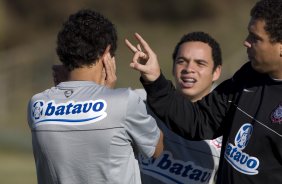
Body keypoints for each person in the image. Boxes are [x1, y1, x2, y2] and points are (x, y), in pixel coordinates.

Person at [125, 0, 282, 183]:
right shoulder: (248, 76)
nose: (245, 42)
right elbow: (199, 120)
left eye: (255, 38)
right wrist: (155, 80)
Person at [27, 9, 163, 184]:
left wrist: (103, 93)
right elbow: (157, 148)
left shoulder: (37, 105)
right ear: (106, 53)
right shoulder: (124, 102)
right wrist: (109, 93)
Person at [135, 32, 223, 184]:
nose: (189, 68)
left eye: (200, 63)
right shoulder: (138, 103)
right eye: (182, 61)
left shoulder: (227, 123)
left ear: (216, 72)